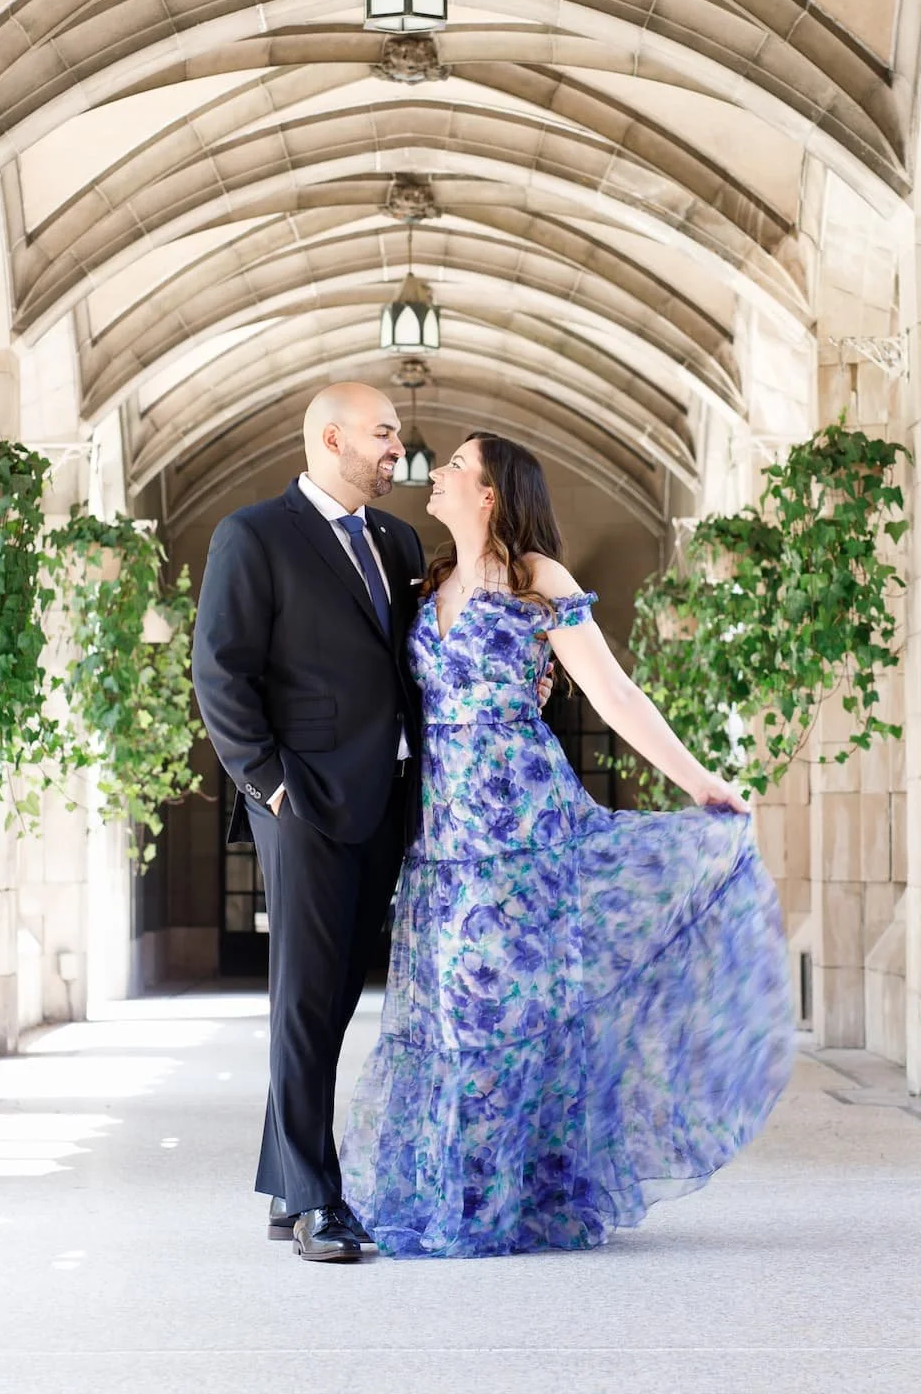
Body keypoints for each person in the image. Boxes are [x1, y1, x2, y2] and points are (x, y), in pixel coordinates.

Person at [339, 430, 796, 1258]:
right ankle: (464, 1189)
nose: (433, 475)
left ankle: (496, 1200)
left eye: (453, 468)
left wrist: (698, 782)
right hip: (443, 835)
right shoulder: (429, 578)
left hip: (525, 828)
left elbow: (614, 692)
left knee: (502, 1011)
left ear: (489, 493)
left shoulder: (536, 578)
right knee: (450, 1015)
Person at [191, 383, 426, 1264]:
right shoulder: (254, 536)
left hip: (387, 800)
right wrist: (267, 785)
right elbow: (221, 672)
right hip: (303, 804)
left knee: (328, 1001)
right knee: (302, 1000)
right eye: (384, 434)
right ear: (333, 439)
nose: (396, 448)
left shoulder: (397, 540)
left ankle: (285, 1181)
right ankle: (317, 1202)